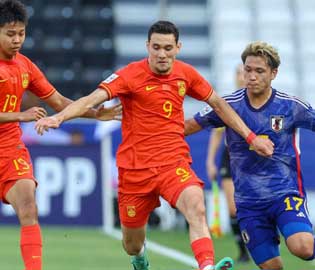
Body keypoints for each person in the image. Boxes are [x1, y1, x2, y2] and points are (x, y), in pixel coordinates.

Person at [34, 21, 274, 270]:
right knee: (132, 244)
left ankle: (206, 266)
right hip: (135, 170)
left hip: (172, 163)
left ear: (178, 47)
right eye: (156, 47)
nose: (162, 54)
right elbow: (91, 100)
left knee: (196, 206)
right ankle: (140, 258)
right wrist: (59, 117)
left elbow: (219, 104)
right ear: (147, 45)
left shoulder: (186, 74)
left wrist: (251, 137)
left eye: (168, 48)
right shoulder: (129, 75)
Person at [184, 41, 315, 270]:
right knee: (272, 267)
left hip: (284, 193)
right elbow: (187, 126)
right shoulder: (228, 105)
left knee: (302, 247)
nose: (252, 76)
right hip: (248, 202)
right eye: (248, 70)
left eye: (259, 71)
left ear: (274, 73)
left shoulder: (289, 106)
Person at [0, 1, 120, 270]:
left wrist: (94, 113)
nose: (17, 39)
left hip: (9, 150)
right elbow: (24, 113)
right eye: (10, 34)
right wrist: (21, 116)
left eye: (21, 33)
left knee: (29, 206)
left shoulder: (25, 66)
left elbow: (58, 101)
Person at [206, 64, 250, 263]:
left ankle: (260, 242)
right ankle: (242, 251)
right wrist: (210, 161)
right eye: (239, 73)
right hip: (230, 157)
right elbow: (216, 135)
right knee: (232, 208)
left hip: (252, 159)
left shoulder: (258, 102)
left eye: (245, 73)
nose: (242, 77)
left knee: (254, 206)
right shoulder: (228, 102)